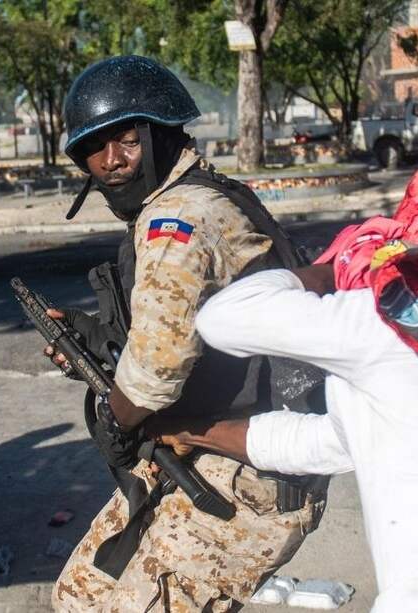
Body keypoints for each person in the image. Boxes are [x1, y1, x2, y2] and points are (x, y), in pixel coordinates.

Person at [149, 164, 418, 611]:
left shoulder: (379, 327)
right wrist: (194, 431)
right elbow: (324, 442)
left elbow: (223, 318)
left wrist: (325, 274)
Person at [47, 55, 327, 612]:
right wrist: (93, 341)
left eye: (128, 140)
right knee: (80, 596)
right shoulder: (209, 192)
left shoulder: (177, 217)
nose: (112, 160)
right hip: (207, 449)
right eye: (94, 149)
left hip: (248, 475)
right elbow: (191, 332)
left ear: (161, 133)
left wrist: (117, 422)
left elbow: (153, 374)